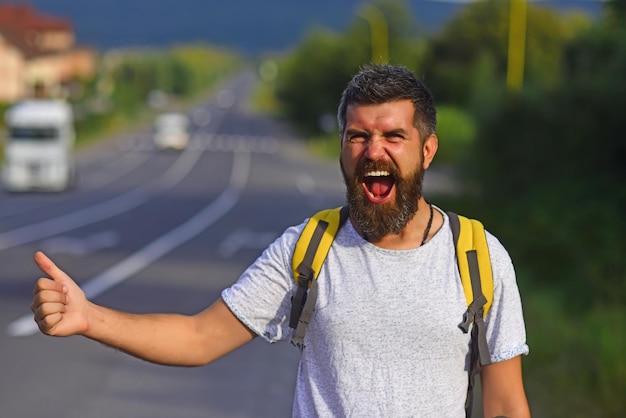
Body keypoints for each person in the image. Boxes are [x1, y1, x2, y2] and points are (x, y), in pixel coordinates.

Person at [31, 63, 530, 417]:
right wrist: (89, 317)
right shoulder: (306, 250)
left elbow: (506, 404)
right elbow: (199, 338)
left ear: (427, 150)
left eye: (393, 136)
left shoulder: (477, 257)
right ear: (341, 148)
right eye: (357, 136)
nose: (372, 150)